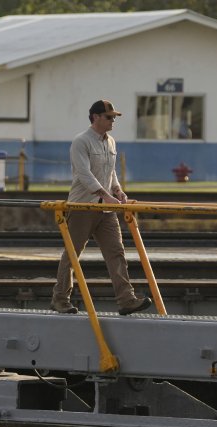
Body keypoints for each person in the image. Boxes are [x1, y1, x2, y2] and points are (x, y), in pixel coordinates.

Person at [50, 99, 151, 316]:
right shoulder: (81, 141)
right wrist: (106, 195)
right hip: (82, 207)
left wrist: (118, 191)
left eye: (114, 117)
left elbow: (110, 171)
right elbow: (84, 174)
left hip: (105, 209)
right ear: (95, 117)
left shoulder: (111, 142)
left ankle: (126, 299)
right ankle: (60, 298)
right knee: (72, 254)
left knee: (116, 252)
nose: (113, 120)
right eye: (109, 117)